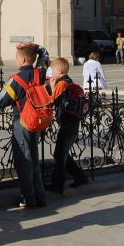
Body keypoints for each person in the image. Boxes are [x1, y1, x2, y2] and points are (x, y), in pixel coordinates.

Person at [0, 43, 47, 209]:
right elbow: (45, 56)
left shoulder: (16, 79)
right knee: (34, 161)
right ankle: (40, 197)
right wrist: (35, 47)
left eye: (16, 57)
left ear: (23, 59)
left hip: (22, 122)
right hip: (37, 121)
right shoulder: (40, 73)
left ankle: (28, 198)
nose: (15, 60)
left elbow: (1, 101)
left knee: (24, 161)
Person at [46, 57, 89, 194]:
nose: (51, 73)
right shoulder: (69, 82)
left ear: (59, 71)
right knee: (61, 153)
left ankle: (58, 185)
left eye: (52, 70)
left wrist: (52, 87)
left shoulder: (62, 84)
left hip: (68, 122)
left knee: (59, 154)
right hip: (72, 121)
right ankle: (80, 177)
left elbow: (51, 101)